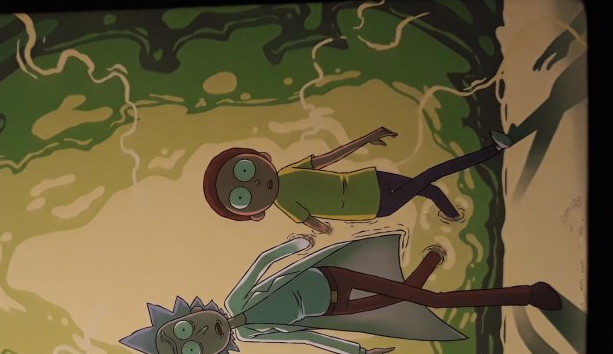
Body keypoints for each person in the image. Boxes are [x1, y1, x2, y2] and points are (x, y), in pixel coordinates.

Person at [121, 233, 561, 354]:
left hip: (332, 276)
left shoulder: (236, 302)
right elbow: (307, 336)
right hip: (335, 306)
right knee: (403, 302)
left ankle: (527, 294)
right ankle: (429, 262)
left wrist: (294, 246)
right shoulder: (252, 335)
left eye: (184, 329)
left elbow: (262, 263)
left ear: (186, 313)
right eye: (191, 349)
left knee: (430, 300)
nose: (199, 334)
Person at [203, 128, 511, 232]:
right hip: (372, 203)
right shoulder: (285, 203)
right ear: (256, 214)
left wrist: (366, 138)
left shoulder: (288, 173)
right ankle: (493, 150)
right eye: (242, 197)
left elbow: (329, 158)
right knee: (430, 179)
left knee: (429, 187)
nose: (255, 184)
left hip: (368, 180)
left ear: (262, 157)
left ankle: (453, 215)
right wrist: (323, 229)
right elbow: (316, 224)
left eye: (246, 171)